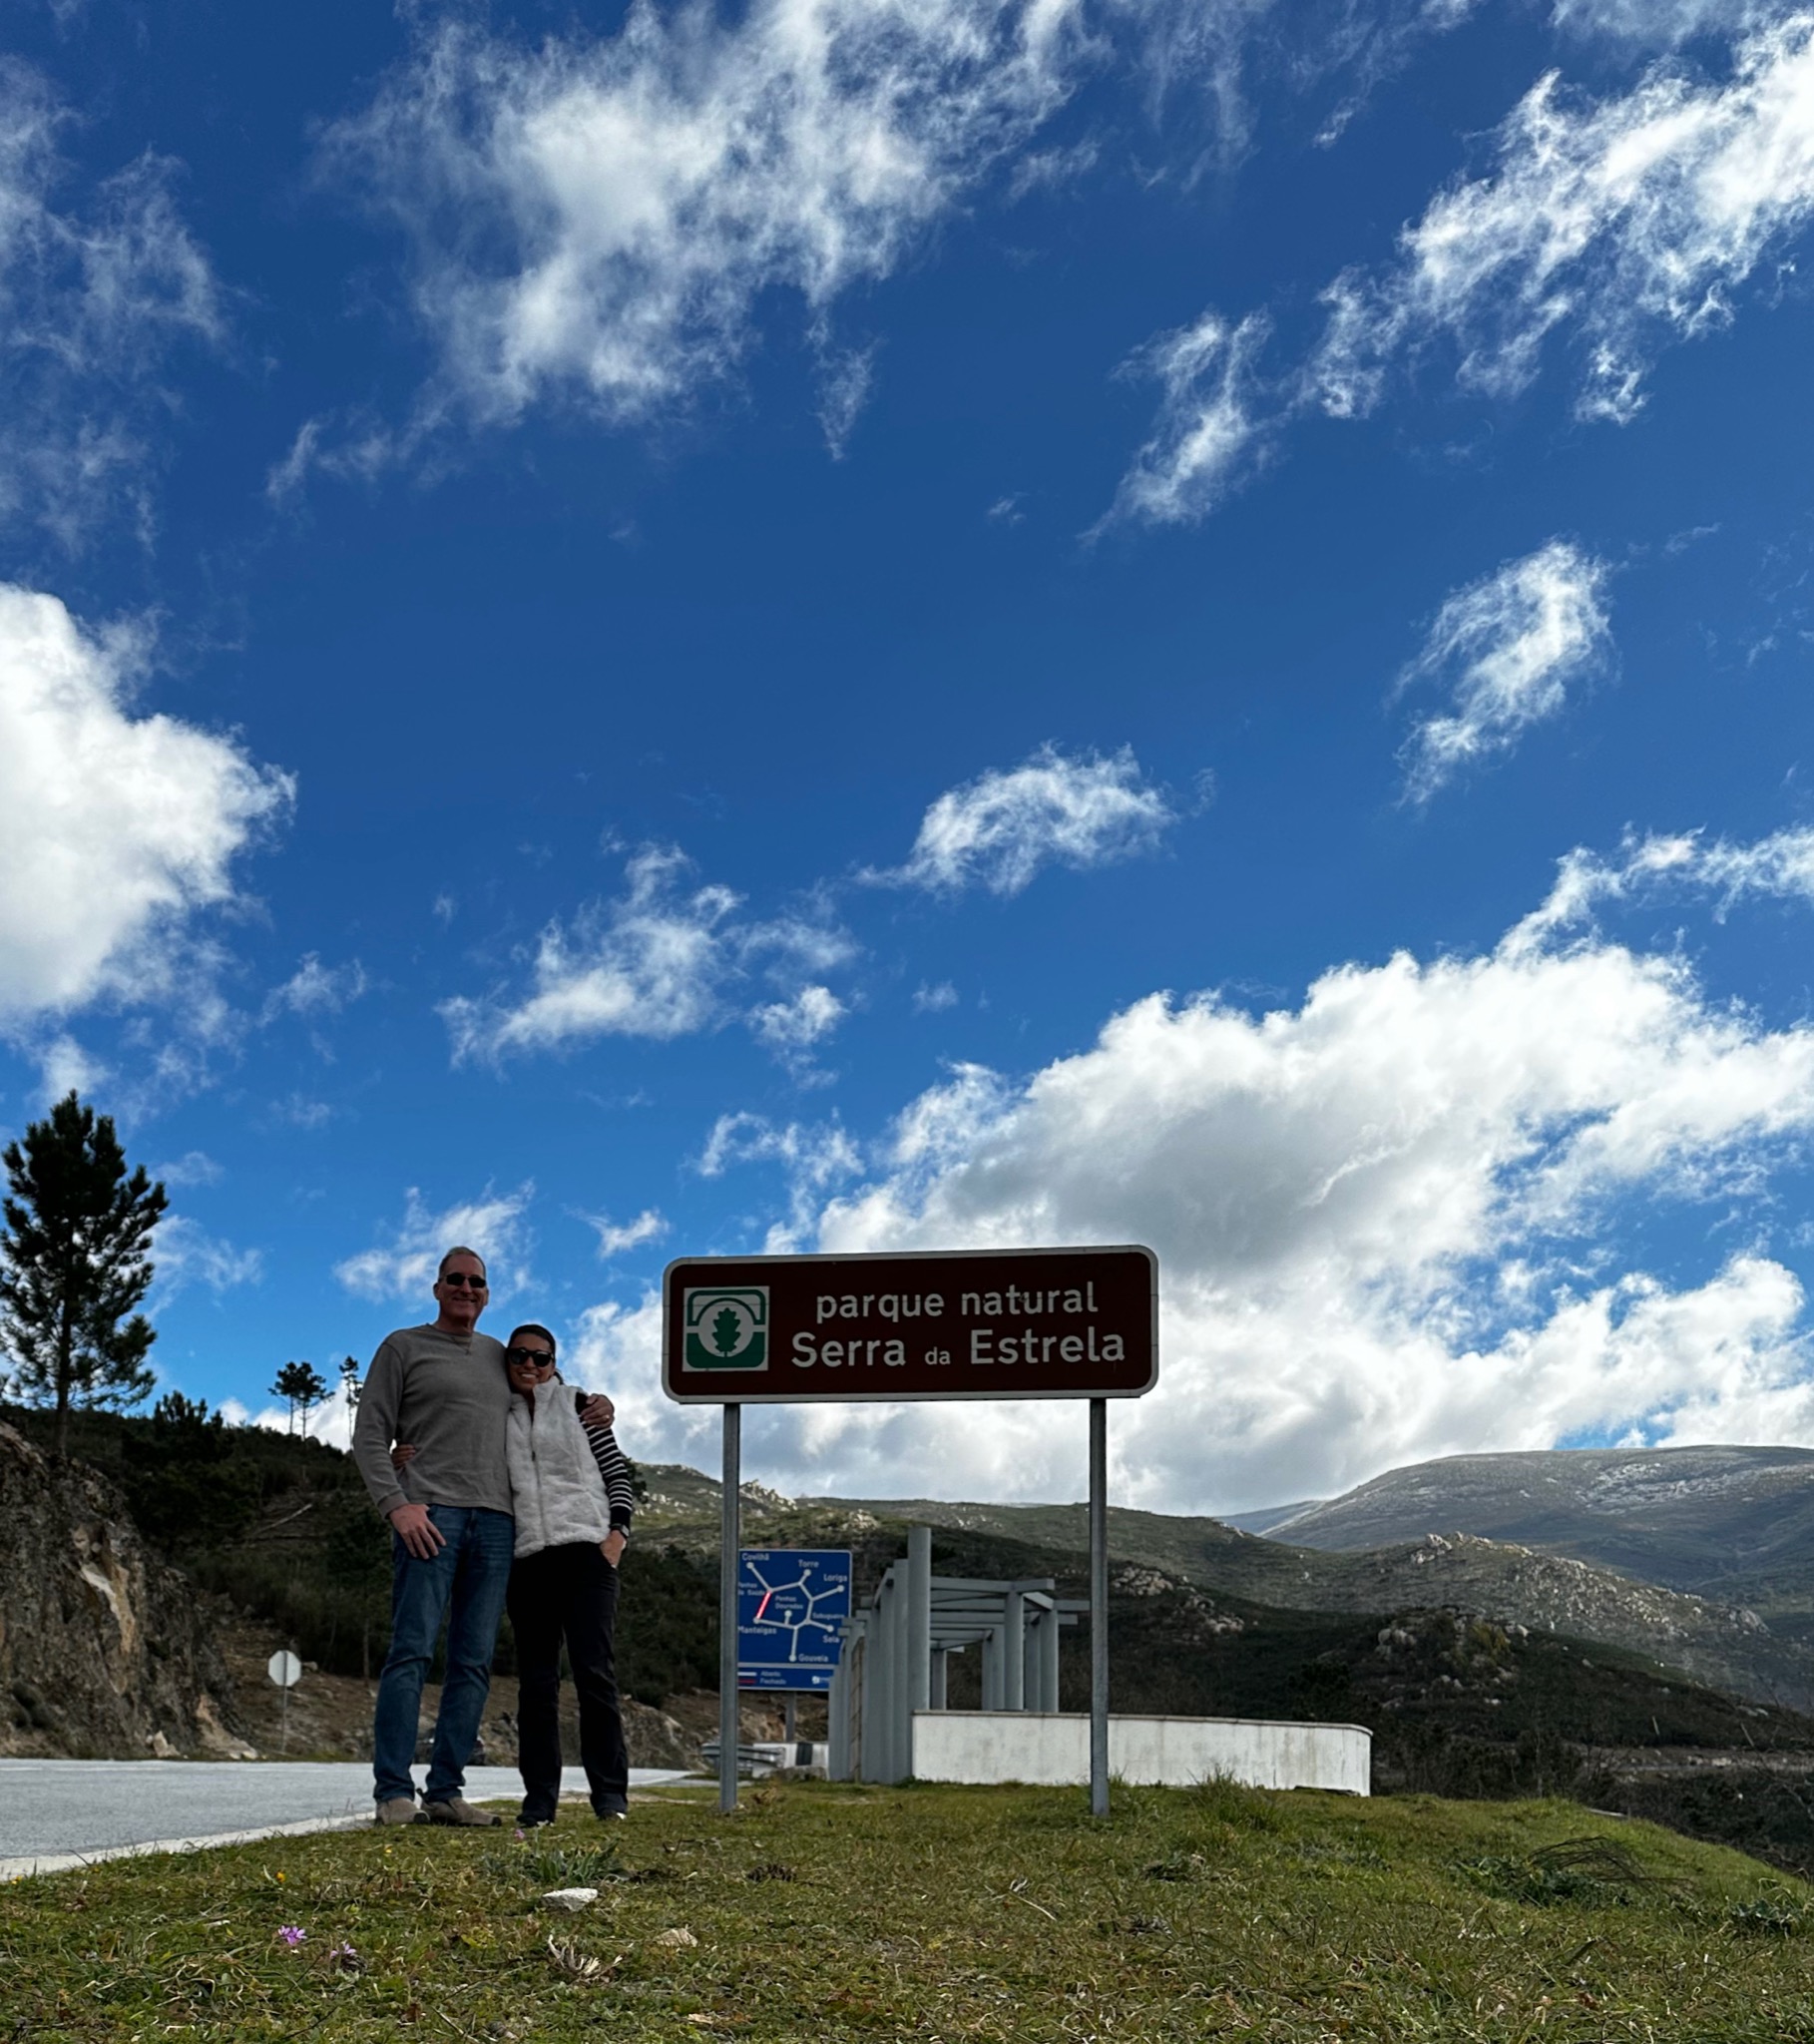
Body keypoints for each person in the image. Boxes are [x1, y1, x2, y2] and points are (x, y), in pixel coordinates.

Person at [351, 1246, 613, 1827]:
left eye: (477, 1282)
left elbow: (547, 1391)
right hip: (431, 1518)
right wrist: (397, 1505)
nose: (467, 1289)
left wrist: (598, 1404)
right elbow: (369, 1435)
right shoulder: (403, 1347)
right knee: (411, 1652)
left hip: (498, 1523)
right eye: (456, 1280)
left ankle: (446, 1792)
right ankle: (393, 1791)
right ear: (438, 1287)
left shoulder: (500, 1354)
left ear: (487, 1293)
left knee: (473, 1663)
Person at [497, 1322, 637, 1825]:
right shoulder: (496, 1416)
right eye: (519, 1357)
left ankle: (610, 1798)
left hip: (587, 1554)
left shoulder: (581, 1406)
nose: (530, 1365)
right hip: (528, 1558)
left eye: (541, 1357)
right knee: (536, 1685)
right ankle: (539, 1803)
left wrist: (617, 1534)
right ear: (507, 1362)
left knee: (594, 1674)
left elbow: (615, 1470)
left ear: (554, 1363)